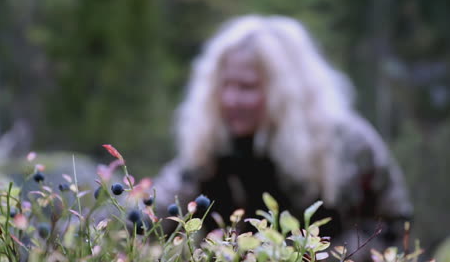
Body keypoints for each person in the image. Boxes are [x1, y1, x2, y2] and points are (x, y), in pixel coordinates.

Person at [153, 15, 412, 259]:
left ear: (286, 91)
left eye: (247, 87)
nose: (230, 99)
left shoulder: (347, 144)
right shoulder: (215, 146)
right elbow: (160, 205)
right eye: (226, 85)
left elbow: (392, 226)